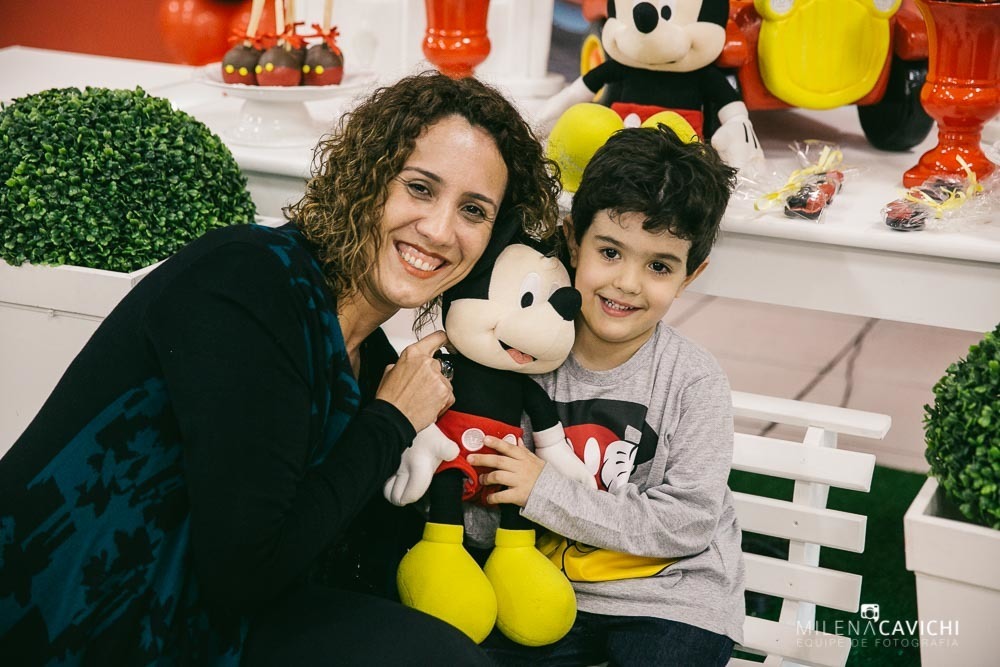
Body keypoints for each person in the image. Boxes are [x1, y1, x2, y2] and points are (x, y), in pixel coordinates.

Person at [0, 71, 561, 666]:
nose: (440, 229)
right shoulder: (248, 284)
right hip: (81, 619)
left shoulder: (373, 359)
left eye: (473, 210)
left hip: (205, 611)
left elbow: (344, 544)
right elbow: (245, 571)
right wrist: (391, 420)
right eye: (420, 188)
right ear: (367, 179)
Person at [468, 124, 744, 666]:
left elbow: (688, 522)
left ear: (691, 275)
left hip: (672, 601)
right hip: (543, 591)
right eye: (611, 252)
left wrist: (544, 491)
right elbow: (486, 504)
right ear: (574, 240)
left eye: (659, 266)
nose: (628, 283)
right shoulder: (521, 361)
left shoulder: (694, 381)